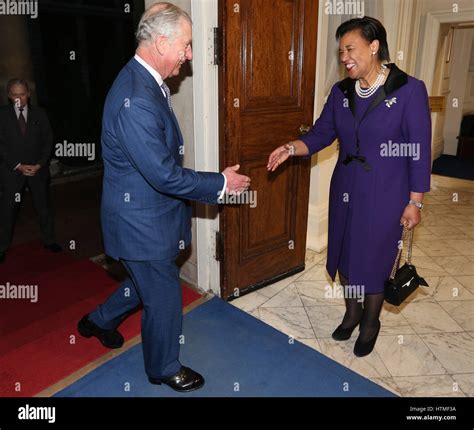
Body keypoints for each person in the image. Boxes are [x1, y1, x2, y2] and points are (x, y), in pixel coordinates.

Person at [78, 2, 250, 392]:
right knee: (165, 299)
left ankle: (98, 320)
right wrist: (219, 183)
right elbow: (163, 174)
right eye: (185, 46)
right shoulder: (136, 97)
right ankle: (163, 367)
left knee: (145, 284)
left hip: (147, 215)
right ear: (160, 42)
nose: (189, 55)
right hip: (141, 223)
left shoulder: (145, 82)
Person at [268, 16, 431, 357]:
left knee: (373, 258)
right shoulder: (341, 91)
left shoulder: (408, 90)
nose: (344, 57)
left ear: (374, 47)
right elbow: (321, 134)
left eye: (350, 48)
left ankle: (370, 322)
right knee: (344, 252)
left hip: (387, 192)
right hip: (345, 187)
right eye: (341, 51)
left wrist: (415, 202)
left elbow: (418, 149)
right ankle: (352, 312)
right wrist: (291, 147)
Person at [0, 79, 62, 263]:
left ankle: (49, 240)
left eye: (22, 93)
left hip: (38, 170)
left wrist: (40, 164)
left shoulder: (40, 113)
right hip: (12, 171)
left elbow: (48, 140)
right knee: (7, 210)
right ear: (10, 97)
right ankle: (2, 246)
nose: (19, 98)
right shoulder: (2, 115)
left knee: (43, 207)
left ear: (28, 94)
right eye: (15, 94)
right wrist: (17, 165)